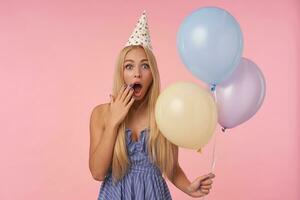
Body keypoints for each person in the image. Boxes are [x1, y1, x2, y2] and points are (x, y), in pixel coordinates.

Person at [89, 11, 215, 200]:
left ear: (152, 74)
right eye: (129, 66)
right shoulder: (101, 114)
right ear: (121, 73)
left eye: (145, 66)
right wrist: (114, 122)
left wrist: (189, 187)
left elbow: (171, 168)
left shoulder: (165, 113)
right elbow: (97, 173)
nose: (137, 74)